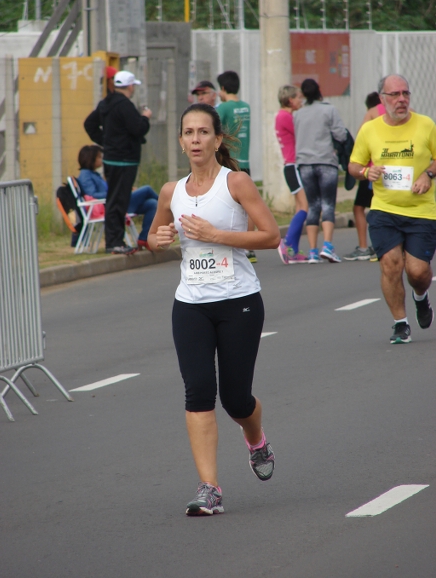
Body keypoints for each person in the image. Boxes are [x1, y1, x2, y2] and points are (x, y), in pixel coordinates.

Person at [147, 103, 280, 516]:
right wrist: (159, 239)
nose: (196, 139)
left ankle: (256, 440)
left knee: (235, 400)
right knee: (199, 391)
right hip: (191, 304)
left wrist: (216, 234)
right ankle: (210, 489)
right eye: (188, 132)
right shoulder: (171, 191)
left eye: (203, 132)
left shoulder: (235, 182)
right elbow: (152, 237)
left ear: (217, 139)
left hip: (239, 301)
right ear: (181, 141)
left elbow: (271, 236)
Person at [348, 74, 436, 344]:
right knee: (390, 264)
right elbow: (353, 166)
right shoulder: (370, 130)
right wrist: (366, 172)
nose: (401, 99)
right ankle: (400, 323)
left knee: (417, 272)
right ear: (382, 99)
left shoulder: (425, 125)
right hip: (384, 210)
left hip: (421, 210)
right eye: (395, 94)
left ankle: (420, 296)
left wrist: (428, 174)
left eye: (405, 93)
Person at [84, 70, 152, 255]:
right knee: (119, 201)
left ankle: (114, 241)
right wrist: (145, 117)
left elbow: (89, 124)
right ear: (130, 86)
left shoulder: (105, 103)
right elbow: (138, 128)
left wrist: (107, 143)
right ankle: (115, 242)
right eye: (133, 86)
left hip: (111, 160)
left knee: (114, 200)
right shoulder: (125, 105)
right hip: (125, 161)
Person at [294, 78, 347, 263]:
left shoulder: (298, 114)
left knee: (313, 205)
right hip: (326, 161)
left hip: (304, 163)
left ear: (303, 93)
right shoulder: (329, 110)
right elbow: (341, 135)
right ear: (319, 90)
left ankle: (313, 252)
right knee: (328, 204)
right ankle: (328, 246)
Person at [76, 144, 158, 248]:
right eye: (99, 157)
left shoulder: (94, 174)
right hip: (112, 205)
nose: (102, 159)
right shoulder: (85, 175)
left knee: (152, 204)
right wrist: (115, 192)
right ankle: (169, 208)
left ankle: (143, 238)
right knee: (147, 189)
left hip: (116, 201)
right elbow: (93, 195)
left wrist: (122, 190)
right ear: (90, 159)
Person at [217, 70, 256, 263]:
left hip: (230, 162)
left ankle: (235, 246)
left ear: (223, 88)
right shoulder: (246, 107)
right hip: (245, 163)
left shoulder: (223, 108)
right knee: (248, 206)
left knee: (230, 205)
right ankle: (249, 248)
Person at [343, 92, 385, 261]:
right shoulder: (406, 113)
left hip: (371, 169)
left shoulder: (372, 113)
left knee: (360, 208)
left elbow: (361, 136)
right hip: (395, 168)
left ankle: (364, 247)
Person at [275, 84, 308, 264]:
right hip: (293, 165)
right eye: (298, 97)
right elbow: (302, 134)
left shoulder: (283, 115)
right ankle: (287, 242)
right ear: (290, 100)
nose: (301, 101)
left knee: (299, 207)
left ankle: (293, 251)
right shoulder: (285, 117)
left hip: (290, 165)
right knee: (305, 207)